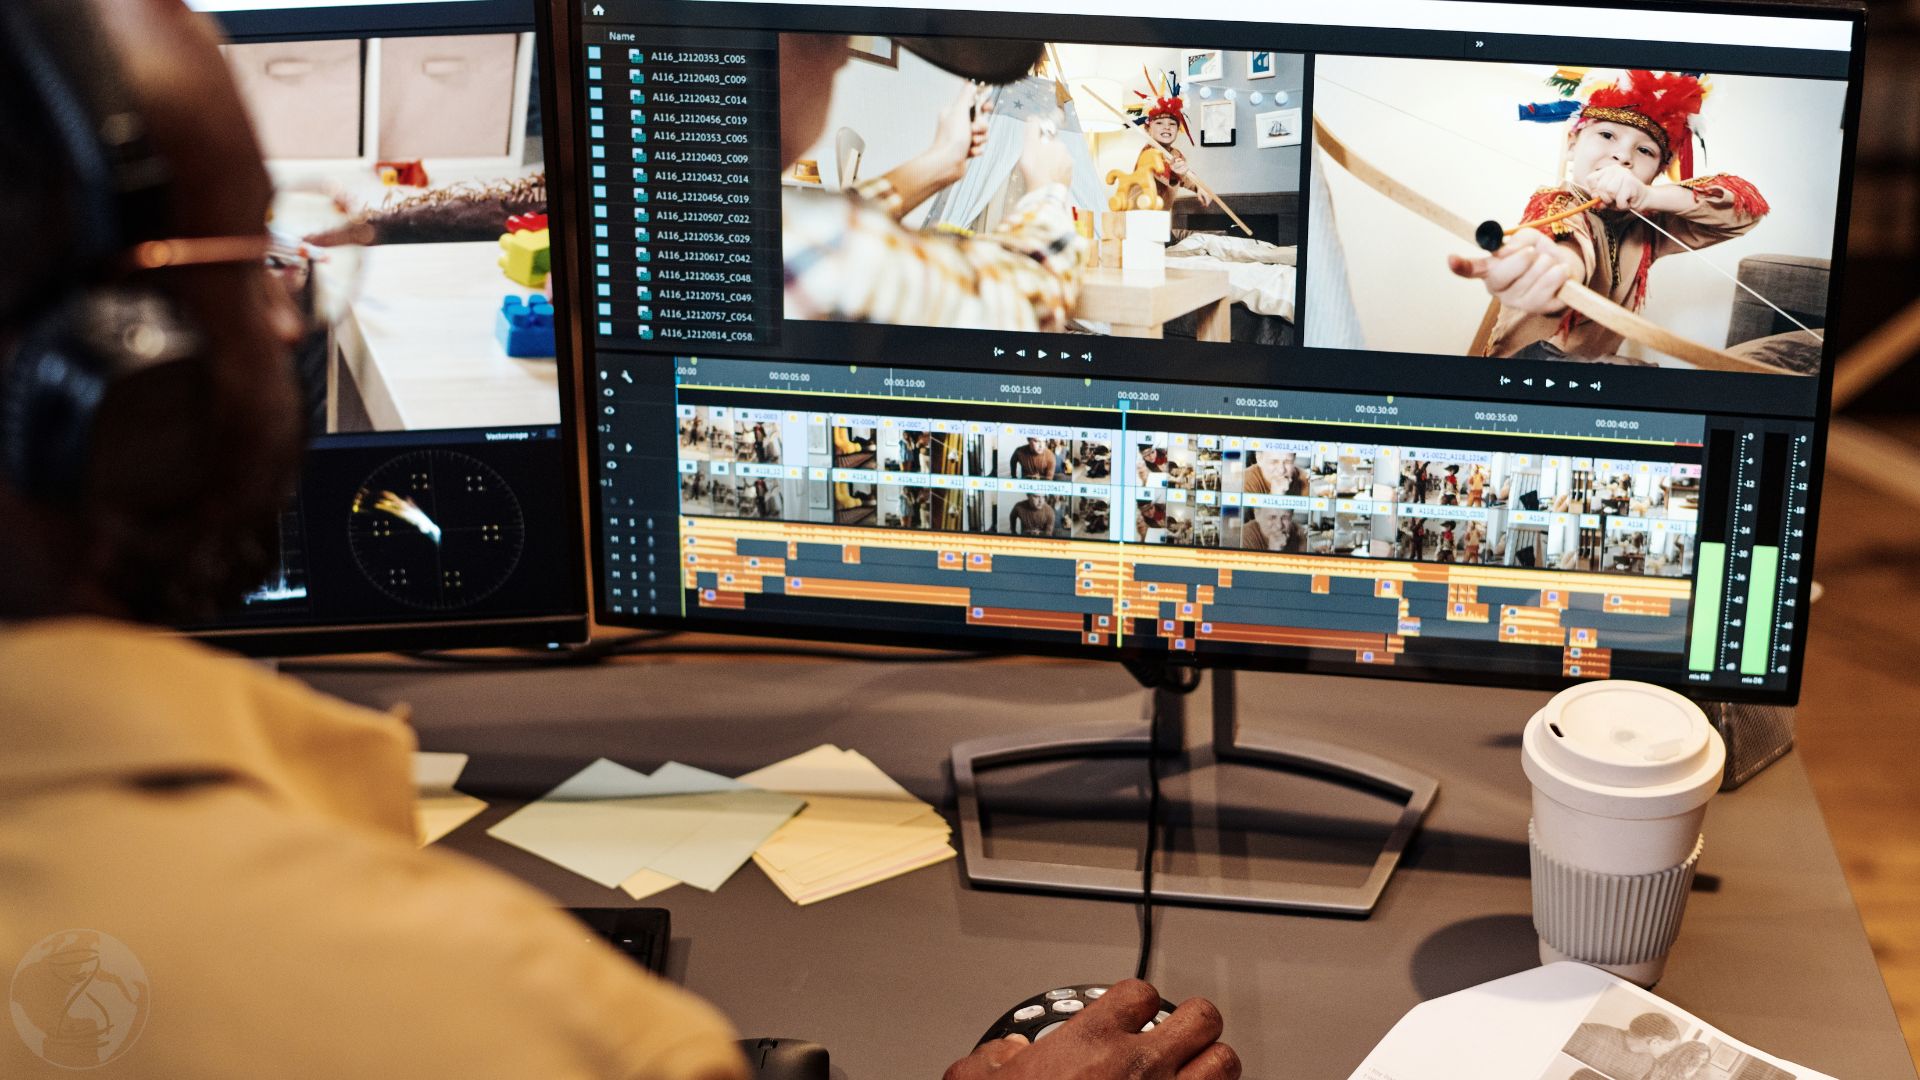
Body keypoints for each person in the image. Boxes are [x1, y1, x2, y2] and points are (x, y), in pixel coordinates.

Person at [0, 4, 1239, 1080]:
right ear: (118, 387)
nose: (288, 314)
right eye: (250, 258)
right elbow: (1011, 285)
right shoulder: (511, 1015)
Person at [1448, 69, 1768, 362]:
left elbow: (1744, 211)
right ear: (1572, 144)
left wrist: (1649, 197)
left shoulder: (1647, 228)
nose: (1622, 156)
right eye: (1606, 135)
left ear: (1656, 173)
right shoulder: (1557, 204)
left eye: (1645, 151)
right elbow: (1568, 242)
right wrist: (1558, 268)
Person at [781, 35, 1086, 332]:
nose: (841, 58)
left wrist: (941, 161)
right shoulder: (832, 250)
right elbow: (1020, 302)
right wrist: (1048, 190)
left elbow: (836, 222)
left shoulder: (784, 228)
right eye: (824, 38)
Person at [1563, 1011, 1682, 1080]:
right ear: (1655, 1042)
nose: (1669, 1053)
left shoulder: (1650, 1064)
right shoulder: (1590, 1035)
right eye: (1669, 1048)